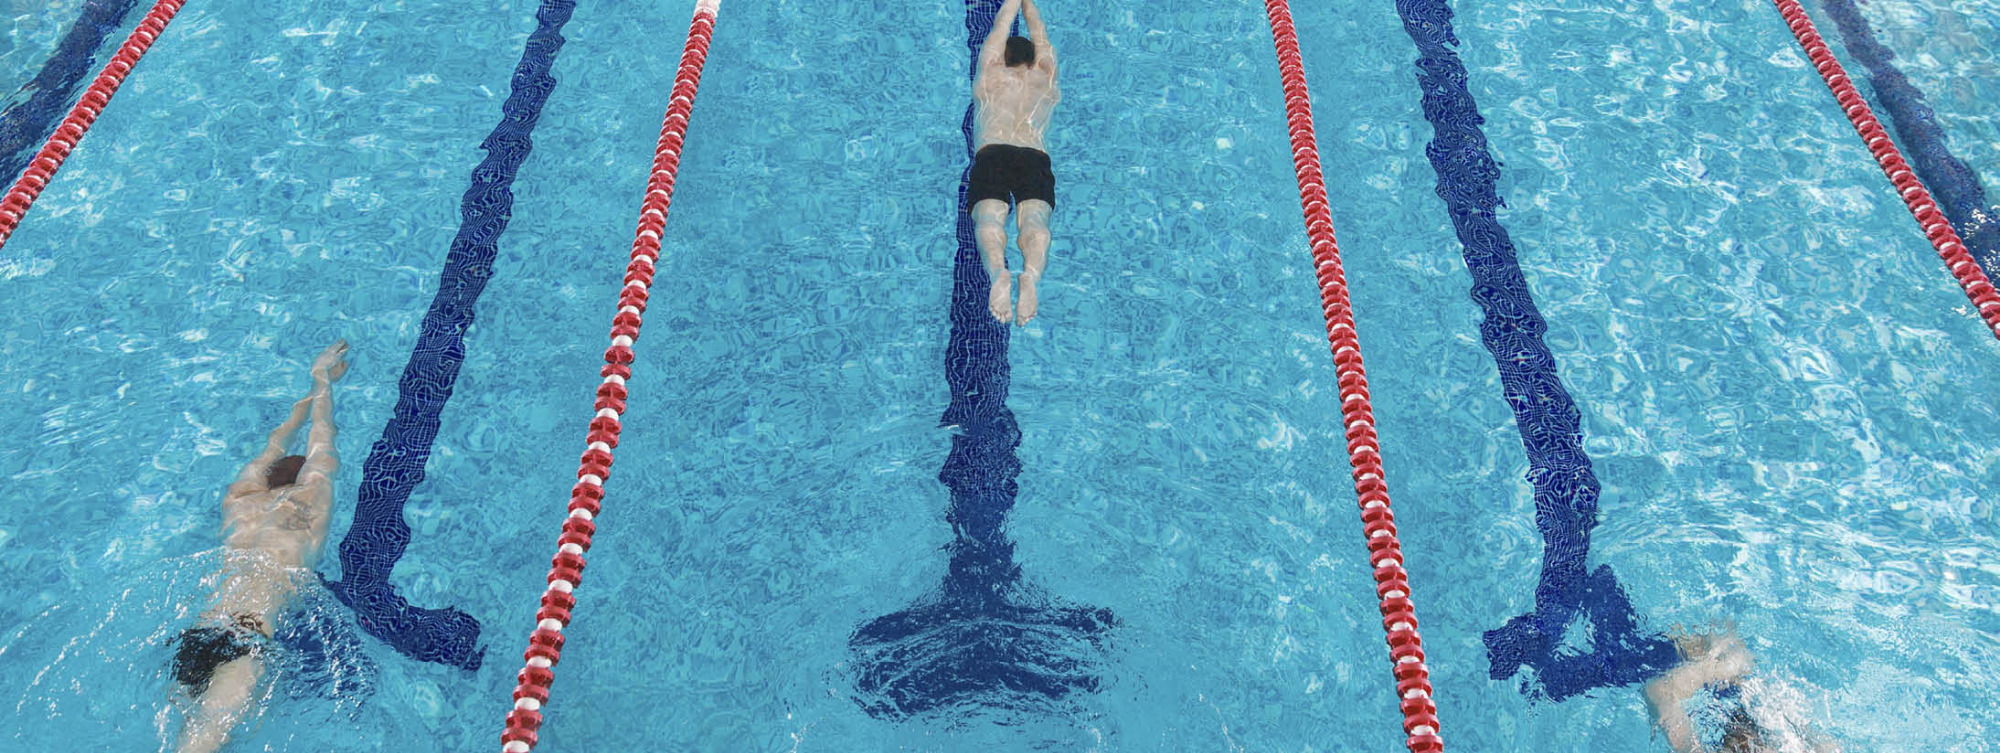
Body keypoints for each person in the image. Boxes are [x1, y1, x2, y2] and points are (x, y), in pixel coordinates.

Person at [171, 340, 348, 753]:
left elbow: (275, 441)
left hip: (199, 631)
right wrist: (323, 381)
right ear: (305, 475)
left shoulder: (241, 500)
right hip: (249, 634)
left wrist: (311, 383)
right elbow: (324, 436)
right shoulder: (310, 500)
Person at [971, 0, 1060, 325]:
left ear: (1002, 55)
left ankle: (999, 272)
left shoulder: (992, 72)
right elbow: (1040, 31)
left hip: (993, 152)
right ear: (1034, 57)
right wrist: (1030, 6)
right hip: (1034, 156)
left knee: (989, 222)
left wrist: (1013, 3)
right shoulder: (1045, 77)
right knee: (1036, 225)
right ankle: (1030, 277)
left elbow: (1000, 25)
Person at [1644, 627, 1842, 753]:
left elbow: (1656, 690)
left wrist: (1711, 668)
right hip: (1726, 688)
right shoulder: (1781, 729)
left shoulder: (1692, 747)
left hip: (1640, 662)